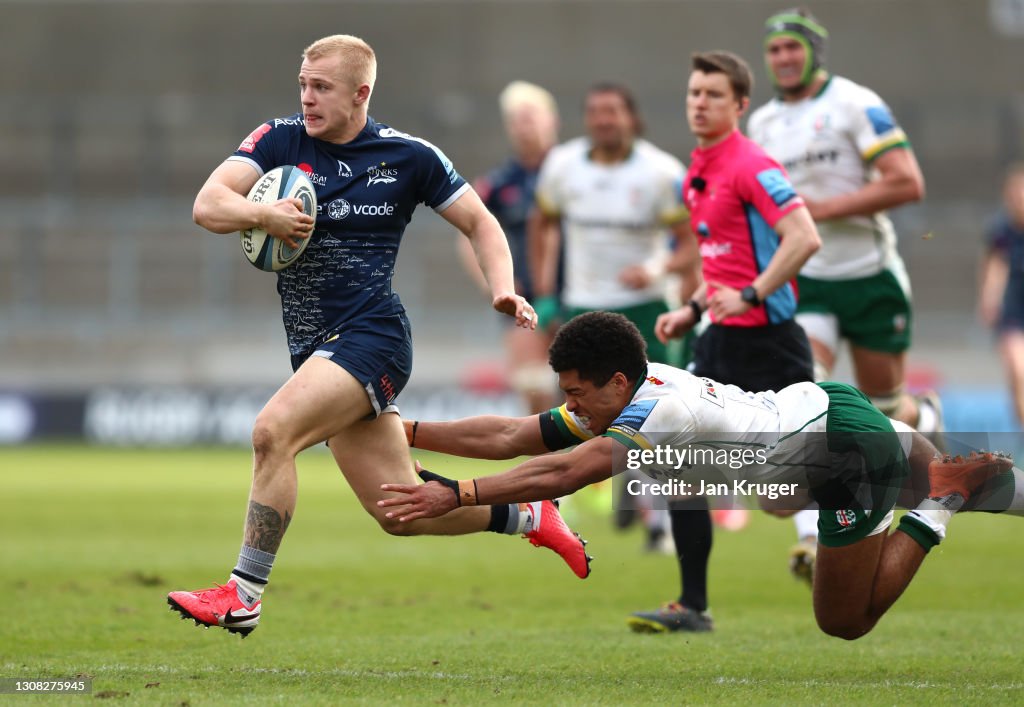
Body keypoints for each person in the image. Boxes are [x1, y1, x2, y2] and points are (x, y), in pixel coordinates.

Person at [167, 35, 591, 638]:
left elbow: (480, 221)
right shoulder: (279, 138)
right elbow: (208, 205)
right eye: (303, 84)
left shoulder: (407, 156)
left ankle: (243, 593)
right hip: (316, 347)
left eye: (322, 88)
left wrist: (505, 287)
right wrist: (264, 214)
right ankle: (526, 516)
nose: (307, 98)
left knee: (272, 432)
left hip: (373, 336)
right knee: (400, 508)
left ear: (361, 93)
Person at [380, 311, 1023, 641]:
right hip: (829, 406)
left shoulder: (659, 409)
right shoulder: (633, 386)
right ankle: (959, 481)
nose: (569, 405)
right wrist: (407, 431)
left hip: (845, 455)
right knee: (1004, 491)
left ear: (619, 382)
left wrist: (456, 493)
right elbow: (514, 436)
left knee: (845, 622)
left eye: (577, 394)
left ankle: (941, 501)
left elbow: (566, 471)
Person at [747, 7, 943, 578]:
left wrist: (818, 210)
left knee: (886, 408)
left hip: (870, 278)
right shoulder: (761, 125)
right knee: (807, 401)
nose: (783, 58)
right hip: (806, 282)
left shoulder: (856, 103)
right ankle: (814, 536)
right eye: (775, 50)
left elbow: (908, 181)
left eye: (793, 48)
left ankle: (922, 416)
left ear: (813, 52)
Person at [641, 50, 821, 631]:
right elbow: (720, 260)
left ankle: (836, 546)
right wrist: (691, 308)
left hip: (771, 341)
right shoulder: (697, 169)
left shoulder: (751, 165)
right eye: (695, 92)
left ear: (740, 105)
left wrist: (752, 293)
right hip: (719, 341)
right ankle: (693, 605)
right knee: (678, 462)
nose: (700, 102)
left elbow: (803, 237)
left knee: (804, 471)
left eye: (714, 95)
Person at [527, 81, 694, 552]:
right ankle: (588, 500)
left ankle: (658, 521)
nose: (604, 120)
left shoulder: (661, 171)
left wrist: (657, 267)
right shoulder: (562, 167)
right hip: (585, 307)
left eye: (613, 112)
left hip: (646, 310)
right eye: (596, 112)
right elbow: (542, 224)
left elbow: (691, 243)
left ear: (630, 118)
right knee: (586, 413)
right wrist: (543, 292)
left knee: (655, 416)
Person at [457, 81, 562, 414]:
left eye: (530, 116)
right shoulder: (500, 182)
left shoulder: (575, 171)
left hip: (578, 293)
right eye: (515, 119)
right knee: (535, 389)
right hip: (526, 299)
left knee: (590, 390)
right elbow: (466, 234)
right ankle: (544, 466)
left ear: (552, 120)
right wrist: (496, 285)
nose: (523, 126)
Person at [979, 163, 1024, 424]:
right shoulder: (1002, 230)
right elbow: (996, 266)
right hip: (1013, 312)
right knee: (1018, 371)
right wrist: (989, 298)